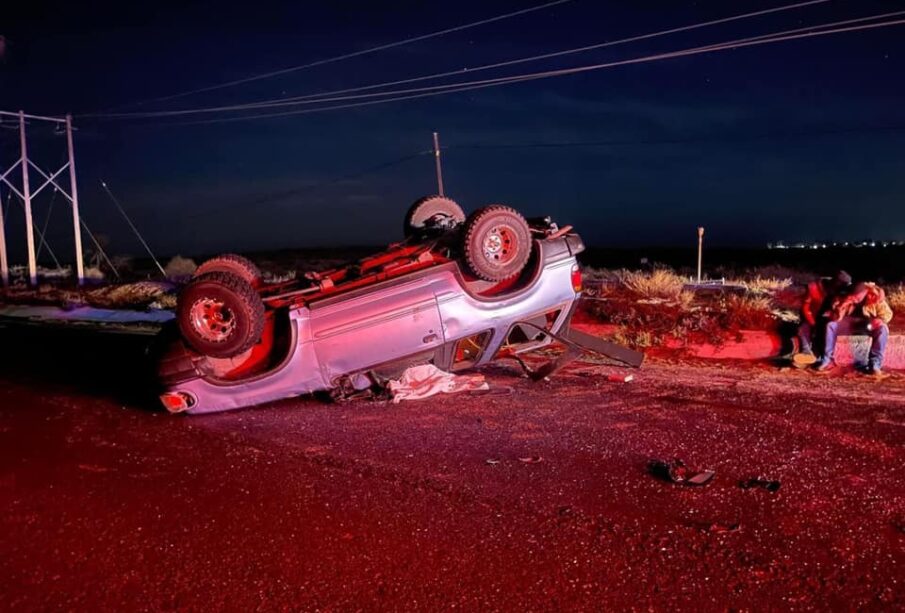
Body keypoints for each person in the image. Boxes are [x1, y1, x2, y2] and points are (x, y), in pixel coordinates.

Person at [813, 281, 894, 375]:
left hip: (865, 325)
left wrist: (880, 319)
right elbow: (834, 314)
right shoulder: (843, 297)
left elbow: (888, 314)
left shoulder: (876, 298)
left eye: (873, 295)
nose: (871, 297)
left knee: (882, 329)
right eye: (869, 295)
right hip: (848, 323)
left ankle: (875, 364)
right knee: (831, 325)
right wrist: (843, 305)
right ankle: (827, 360)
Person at [793, 270, 852, 366]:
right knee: (803, 329)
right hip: (812, 316)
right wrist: (812, 322)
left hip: (827, 319)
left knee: (827, 330)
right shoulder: (814, 287)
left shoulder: (842, 293)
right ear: (836, 282)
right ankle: (806, 353)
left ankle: (820, 356)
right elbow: (806, 307)